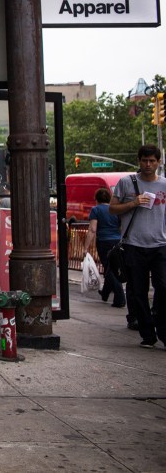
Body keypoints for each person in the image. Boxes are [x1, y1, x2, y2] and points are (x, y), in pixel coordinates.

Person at [108, 145, 166, 349]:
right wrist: (132, 203)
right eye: (144, 160)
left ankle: (162, 326)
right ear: (139, 161)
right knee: (138, 292)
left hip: (161, 245)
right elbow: (112, 209)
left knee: (163, 288)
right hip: (133, 245)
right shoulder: (127, 183)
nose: (148, 165)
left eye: (152, 161)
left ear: (158, 162)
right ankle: (148, 334)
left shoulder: (164, 185)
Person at [85, 188, 126, 309]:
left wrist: (86, 247)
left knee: (110, 269)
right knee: (111, 268)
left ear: (96, 199)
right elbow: (121, 226)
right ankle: (105, 293)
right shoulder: (115, 210)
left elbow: (92, 229)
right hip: (117, 241)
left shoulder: (96, 210)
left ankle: (120, 298)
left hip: (103, 241)